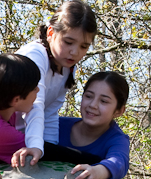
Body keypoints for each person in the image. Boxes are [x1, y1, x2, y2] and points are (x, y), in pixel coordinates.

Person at [12, 0, 97, 168]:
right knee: (90, 160)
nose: (75, 52)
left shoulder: (67, 67)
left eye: (84, 46)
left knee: (93, 161)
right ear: (51, 32)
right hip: (4, 132)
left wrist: (49, 152)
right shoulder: (35, 56)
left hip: (25, 135)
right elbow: (35, 106)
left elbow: (50, 112)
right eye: (68, 42)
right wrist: (36, 147)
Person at [55, 71, 131, 179]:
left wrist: (98, 171)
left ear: (119, 111)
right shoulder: (56, 125)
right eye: (88, 96)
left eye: (104, 101)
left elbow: (119, 162)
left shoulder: (117, 139)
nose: (93, 105)